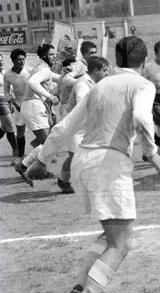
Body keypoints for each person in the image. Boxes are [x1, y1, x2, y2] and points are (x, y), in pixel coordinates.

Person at [24, 36, 160, 293]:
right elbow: (142, 117)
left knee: (111, 233)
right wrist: (151, 152)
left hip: (84, 161)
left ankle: (81, 289)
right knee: (121, 243)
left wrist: (42, 159)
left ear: (116, 59)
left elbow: (65, 126)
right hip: (108, 163)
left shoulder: (100, 85)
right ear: (143, 61)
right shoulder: (142, 85)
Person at [55, 56, 110, 194]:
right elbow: (83, 105)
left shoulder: (95, 82)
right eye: (104, 70)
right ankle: (63, 180)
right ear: (96, 70)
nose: (107, 73)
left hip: (86, 125)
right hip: (75, 125)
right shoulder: (83, 84)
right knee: (75, 156)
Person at [14, 44, 60, 185]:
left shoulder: (41, 67)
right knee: (48, 144)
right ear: (44, 55)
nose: (54, 56)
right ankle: (23, 166)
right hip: (35, 107)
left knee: (46, 142)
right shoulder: (43, 69)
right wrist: (49, 95)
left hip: (32, 106)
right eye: (51, 54)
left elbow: (58, 78)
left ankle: (38, 170)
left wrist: (71, 75)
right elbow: (32, 82)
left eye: (54, 54)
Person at [60, 41, 99, 119]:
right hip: (69, 107)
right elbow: (66, 80)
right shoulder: (78, 65)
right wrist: (81, 82)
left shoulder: (91, 66)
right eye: (91, 53)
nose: (94, 55)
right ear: (84, 54)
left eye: (95, 52)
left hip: (79, 106)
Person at [3, 48, 31, 158]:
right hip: (19, 105)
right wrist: (14, 103)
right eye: (19, 59)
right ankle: (21, 157)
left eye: (23, 59)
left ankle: (42, 155)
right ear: (13, 60)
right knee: (20, 132)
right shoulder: (8, 75)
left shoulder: (30, 70)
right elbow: (6, 92)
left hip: (32, 103)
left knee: (39, 130)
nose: (22, 61)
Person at [0, 53, 18, 156]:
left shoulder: (4, 72)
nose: (1, 62)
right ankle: (16, 151)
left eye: (1, 59)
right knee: (11, 126)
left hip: (7, 100)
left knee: (4, 127)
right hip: (0, 101)